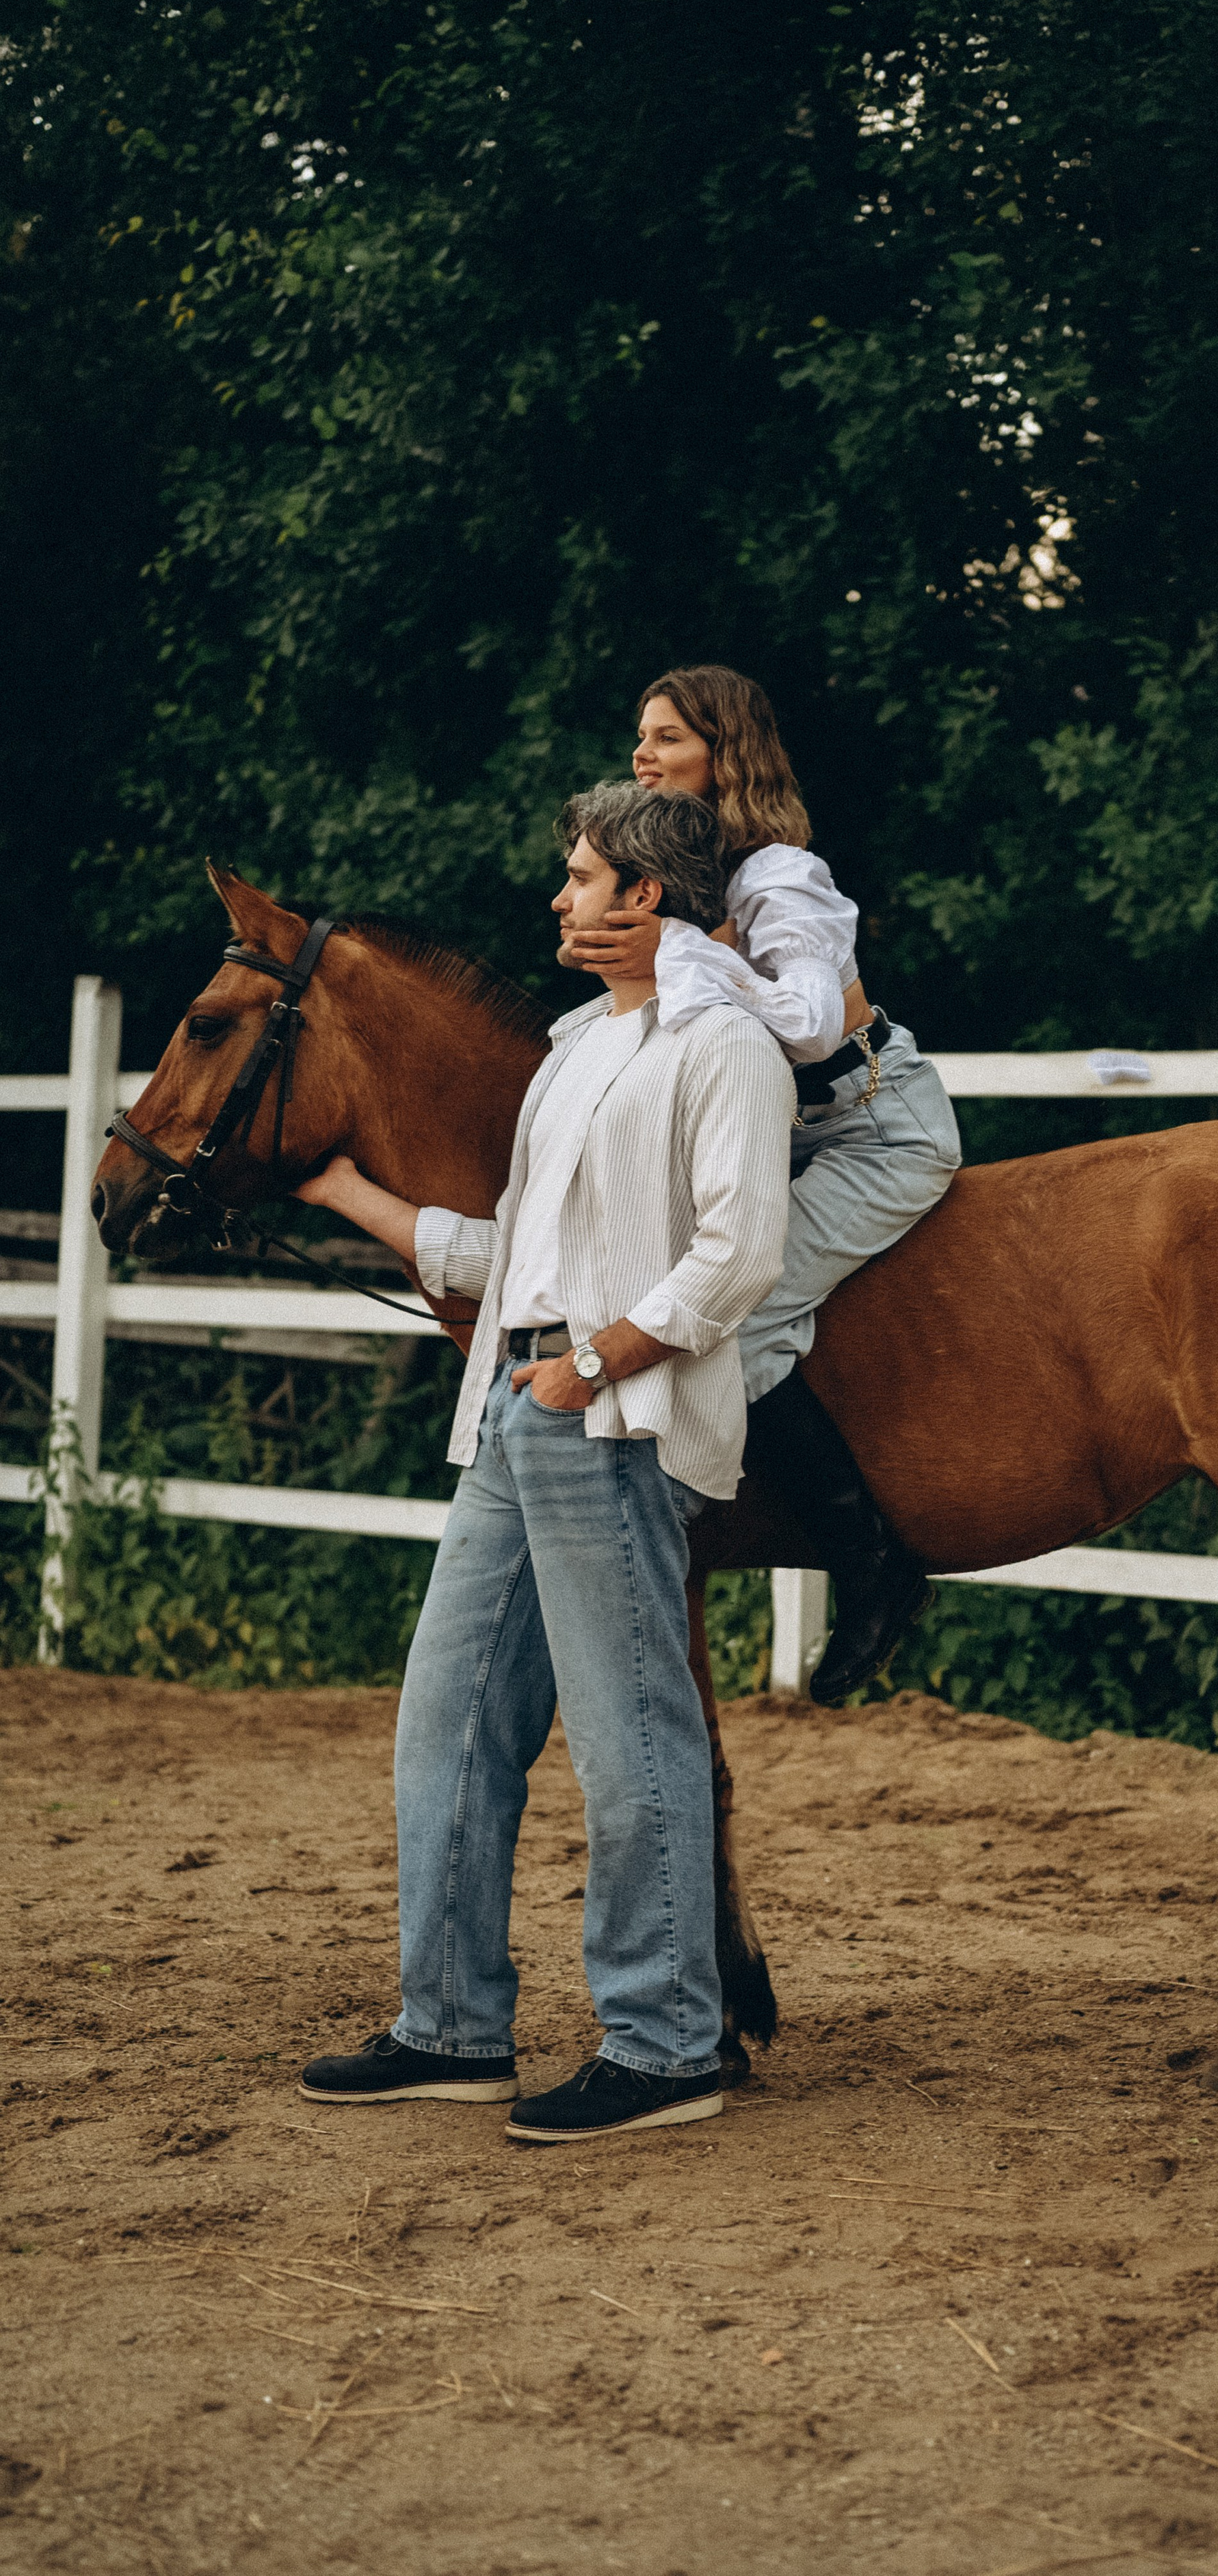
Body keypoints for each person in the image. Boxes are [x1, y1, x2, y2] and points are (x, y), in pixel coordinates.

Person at [291, 782, 795, 2141]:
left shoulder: (724, 1045)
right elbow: (513, 1251)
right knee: (446, 1723)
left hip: (611, 1413)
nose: (558, 898)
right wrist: (348, 1195)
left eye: (579, 877)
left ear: (645, 895)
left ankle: (667, 2045)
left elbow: (742, 1251)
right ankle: (449, 2028)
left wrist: (600, 1361)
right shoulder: (576, 1045)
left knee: (630, 1734)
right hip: (514, 1406)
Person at [574, 665, 962, 1702]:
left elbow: (812, 1025)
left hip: (873, 1129)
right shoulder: (686, 877)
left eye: (667, 737)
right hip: (785, 1132)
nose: (643, 755)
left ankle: (870, 1559)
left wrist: (683, 951)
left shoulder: (781, 875)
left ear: (726, 753)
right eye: (641, 736)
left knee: (730, 1314)